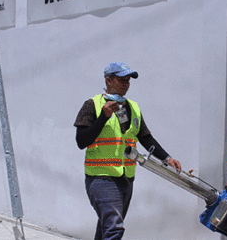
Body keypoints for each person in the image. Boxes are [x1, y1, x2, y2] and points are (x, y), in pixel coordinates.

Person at [74, 61, 181, 240]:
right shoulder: (92, 105)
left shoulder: (133, 107)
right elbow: (81, 141)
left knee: (106, 227)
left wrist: (167, 158)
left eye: (128, 81)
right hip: (101, 178)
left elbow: (145, 137)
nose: (126, 84)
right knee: (114, 228)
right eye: (121, 80)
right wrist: (103, 117)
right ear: (108, 80)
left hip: (126, 179)